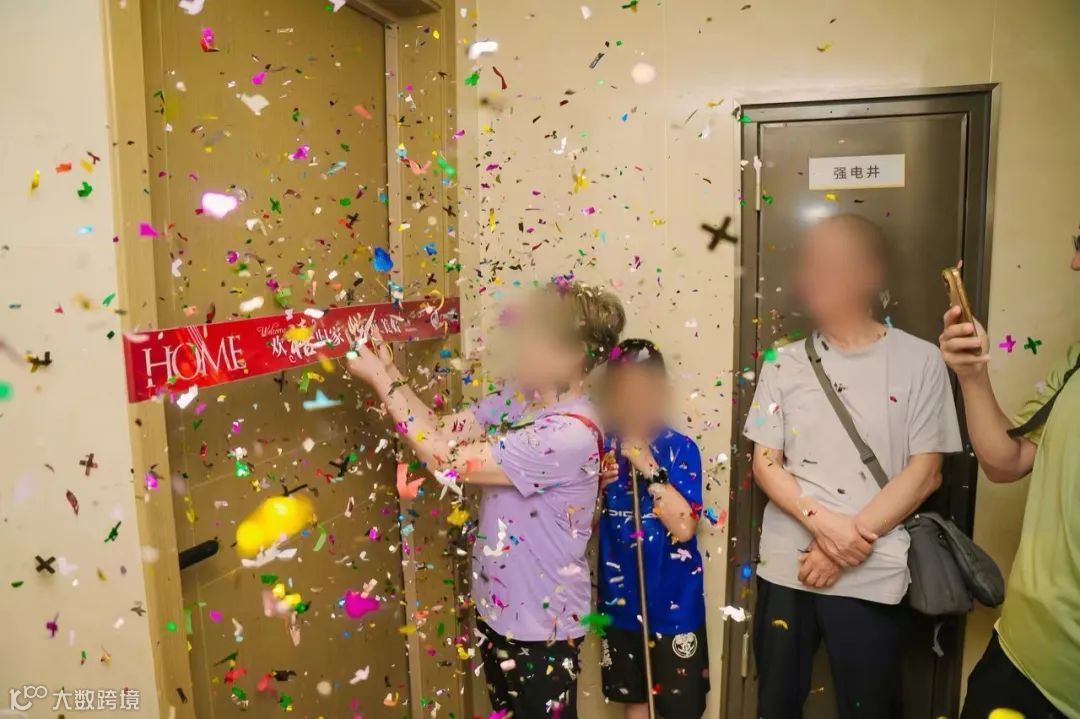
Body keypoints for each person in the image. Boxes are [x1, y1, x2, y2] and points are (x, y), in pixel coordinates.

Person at [347, 278, 625, 719]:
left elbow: (444, 459)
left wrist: (381, 381)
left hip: (541, 630)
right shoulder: (522, 398)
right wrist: (392, 374)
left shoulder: (569, 433)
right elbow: (442, 432)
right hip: (498, 612)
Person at [743, 214, 963, 718]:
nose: (811, 278)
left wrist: (843, 545)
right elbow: (766, 462)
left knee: (872, 708)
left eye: (830, 264)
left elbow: (926, 471)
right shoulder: (783, 361)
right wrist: (825, 528)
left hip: (872, 569)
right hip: (788, 566)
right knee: (775, 704)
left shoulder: (921, 360)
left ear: (869, 273)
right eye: (809, 265)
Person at [945, 235, 1080, 719]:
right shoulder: (1076, 361)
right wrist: (971, 374)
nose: (1074, 262)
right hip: (1018, 656)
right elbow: (1008, 461)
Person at [596, 339, 709, 719]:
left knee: (680, 709)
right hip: (621, 608)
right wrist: (596, 489)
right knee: (636, 703)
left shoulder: (681, 448)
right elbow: (582, 527)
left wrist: (648, 467)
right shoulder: (600, 449)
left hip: (676, 610)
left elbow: (685, 527)